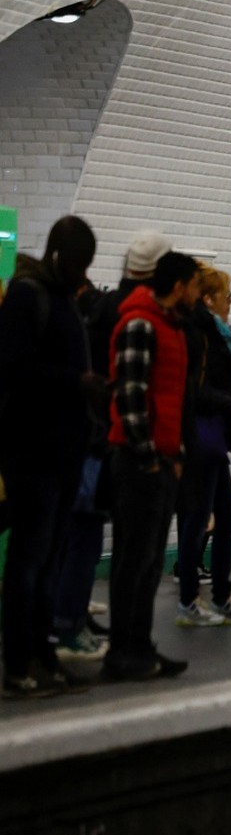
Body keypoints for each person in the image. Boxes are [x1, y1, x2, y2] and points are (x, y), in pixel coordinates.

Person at [55, 230, 171, 662]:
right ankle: (69, 623)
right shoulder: (136, 314)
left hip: (92, 436)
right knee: (92, 537)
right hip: (107, 440)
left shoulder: (102, 305)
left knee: (79, 536)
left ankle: (72, 615)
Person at [0, 216, 97, 699]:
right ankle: (17, 663)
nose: (83, 274)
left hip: (63, 452)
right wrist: (74, 382)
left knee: (50, 559)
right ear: (59, 254)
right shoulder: (28, 296)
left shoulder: (61, 298)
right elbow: (14, 368)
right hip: (32, 451)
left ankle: (43, 654)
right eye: (78, 263)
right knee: (28, 558)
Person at [104, 250, 201, 680]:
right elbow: (130, 397)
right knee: (133, 562)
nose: (198, 295)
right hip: (138, 462)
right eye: (195, 286)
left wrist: (175, 455)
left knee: (148, 563)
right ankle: (123, 651)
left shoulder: (173, 328)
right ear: (178, 286)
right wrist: (148, 460)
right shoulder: (141, 324)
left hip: (161, 461)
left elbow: (171, 401)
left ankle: (139, 646)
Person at [173, 264, 231, 626]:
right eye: (226, 295)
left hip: (213, 438)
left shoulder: (214, 334)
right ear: (208, 299)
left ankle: (220, 595)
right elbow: (194, 390)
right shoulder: (200, 334)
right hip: (201, 437)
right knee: (198, 519)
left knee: (224, 519)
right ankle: (190, 599)